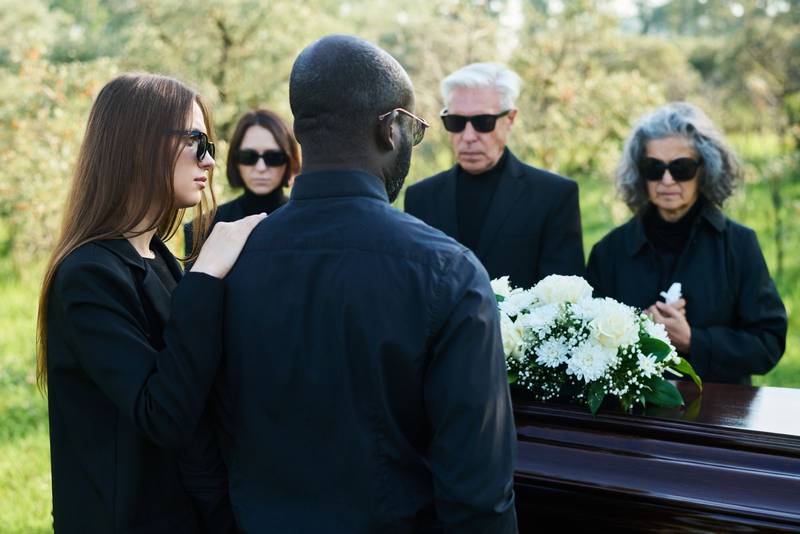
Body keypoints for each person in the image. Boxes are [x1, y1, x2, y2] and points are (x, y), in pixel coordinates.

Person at [213, 35, 517, 533]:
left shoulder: (224, 263)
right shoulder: (448, 272)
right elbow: (478, 495)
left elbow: (203, 443)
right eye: (413, 128)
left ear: (299, 131)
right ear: (389, 129)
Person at [36, 73, 264, 533]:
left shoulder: (156, 255)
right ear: (138, 145)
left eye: (210, 146)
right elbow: (162, 414)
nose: (209, 161)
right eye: (196, 142)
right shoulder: (88, 276)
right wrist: (205, 276)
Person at [586, 102, 787, 385]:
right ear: (640, 173)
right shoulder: (609, 251)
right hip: (631, 409)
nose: (667, 179)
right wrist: (634, 329)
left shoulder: (739, 245)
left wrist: (694, 340)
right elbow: (587, 343)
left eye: (681, 168)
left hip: (719, 409)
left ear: (705, 170)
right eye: (654, 168)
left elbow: (769, 343)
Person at [404, 62, 584, 289]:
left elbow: (564, 298)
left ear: (510, 119)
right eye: (456, 122)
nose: (468, 136)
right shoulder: (420, 198)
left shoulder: (554, 196)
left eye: (483, 122)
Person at [184, 108, 300, 254]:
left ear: (289, 161)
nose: (261, 168)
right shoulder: (200, 230)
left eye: (273, 157)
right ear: (235, 160)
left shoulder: (307, 223)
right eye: (248, 156)